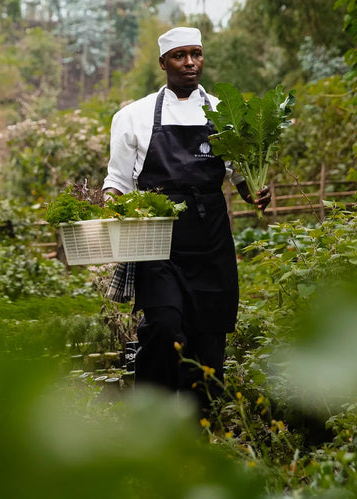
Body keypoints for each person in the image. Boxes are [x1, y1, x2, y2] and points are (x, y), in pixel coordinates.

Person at [103, 26, 269, 415]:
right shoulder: (133, 116)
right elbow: (117, 182)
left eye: (196, 54)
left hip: (210, 238)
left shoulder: (224, 114)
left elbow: (240, 177)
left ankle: (200, 424)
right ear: (163, 63)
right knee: (163, 326)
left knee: (209, 335)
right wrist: (105, 207)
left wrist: (255, 192)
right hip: (157, 238)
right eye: (180, 56)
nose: (190, 62)